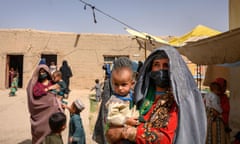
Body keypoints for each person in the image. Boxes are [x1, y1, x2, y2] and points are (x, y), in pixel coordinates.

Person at [106, 46, 207, 144]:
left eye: (166, 65)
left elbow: (166, 139)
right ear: (151, 68)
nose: (161, 69)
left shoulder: (178, 100)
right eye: (157, 64)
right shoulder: (142, 94)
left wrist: (125, 133)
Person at [105, 57, 139, 143]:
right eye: (116, 84)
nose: (120, 88)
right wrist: (126, 120)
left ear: (132, 84)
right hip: (120, 136)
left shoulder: (132, 96)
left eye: (123, 84)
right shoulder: (115, 100)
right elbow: (111, 117)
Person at [27, 64, 63, 144]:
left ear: (47, 72)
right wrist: (48, 89)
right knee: (40, 134)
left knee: (52, 133)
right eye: (40, 72)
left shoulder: (52, 82)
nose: (42, 74)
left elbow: (60, 91)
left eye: (44, 72)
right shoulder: (37, 85)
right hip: (41, 115)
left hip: (51, 114)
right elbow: (36, 94)